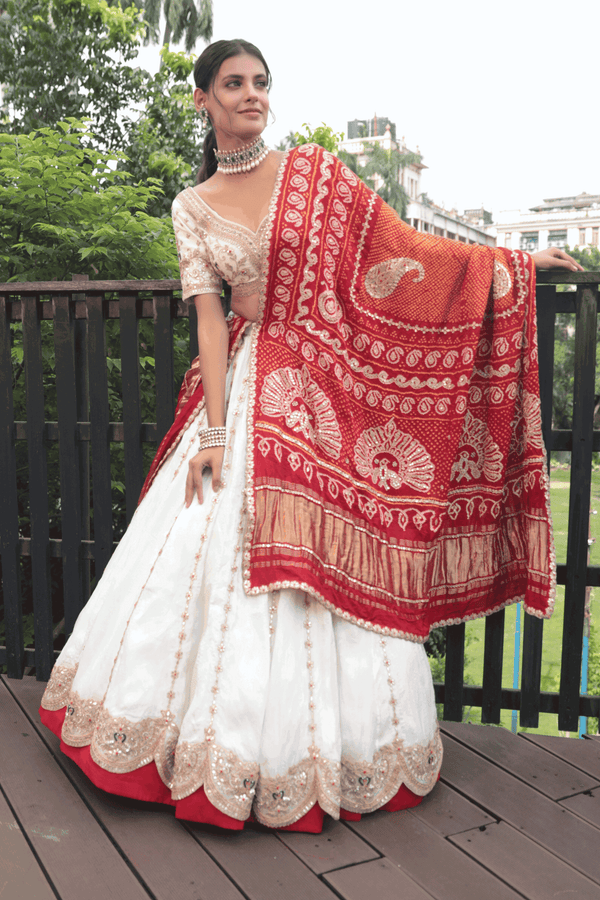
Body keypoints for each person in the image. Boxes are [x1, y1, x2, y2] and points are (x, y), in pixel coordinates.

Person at [40, 38, 582, 834]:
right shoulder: (191, 209)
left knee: (330, 548)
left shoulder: (313, 174)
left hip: (326, 384)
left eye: (262, 82)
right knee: (200, 543)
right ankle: (195, 751)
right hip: (252, 386)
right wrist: (216, 434)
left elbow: (407, 249)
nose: (252, 94)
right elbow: (211, 325)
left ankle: (340, 753)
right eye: (234, 83)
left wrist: (512, 269)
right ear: (203, 100)